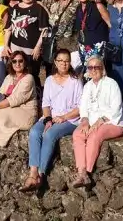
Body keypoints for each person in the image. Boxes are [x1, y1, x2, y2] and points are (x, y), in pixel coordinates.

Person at [21, 49, 83, 191]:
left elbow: (80, 107)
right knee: (35, 132)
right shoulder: (49, 80)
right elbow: (46, 104)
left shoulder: (75, 81)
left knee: (50, 134)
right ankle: (33, 173)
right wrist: (48, 119)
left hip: (70, 119)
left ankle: (41, 174)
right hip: (51, 117)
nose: (64, 64)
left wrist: (64, 117)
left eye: (66, 61)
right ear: (55, 62)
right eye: (60, 60)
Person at [71, 54, 123, 187]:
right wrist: (84, 120)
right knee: (77, 134)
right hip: (91, 121)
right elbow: (83, 106)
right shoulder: (87, 86)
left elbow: (116, 108)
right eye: (90, 67)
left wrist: (100, 120)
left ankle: (86, 172)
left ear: (103, 69)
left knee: (95, 135)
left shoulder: (111, 84)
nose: (93, 70)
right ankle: (81, 172)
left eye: (97, 67)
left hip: (112, 122)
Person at [5, 0, 49, 80]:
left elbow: (44, 30)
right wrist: (5, 45)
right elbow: (8, 29)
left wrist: (38, 47)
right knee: (15, 74)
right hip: (15, 48)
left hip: (31, 50)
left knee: (31, 75)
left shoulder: (38, 9)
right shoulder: (15, 8)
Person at [74, 0, 110, 70]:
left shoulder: (98, 6)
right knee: (86, 74)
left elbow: (110, 25)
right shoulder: (78, 9)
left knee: (98, 74)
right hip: (84, 47)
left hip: (98, 47)